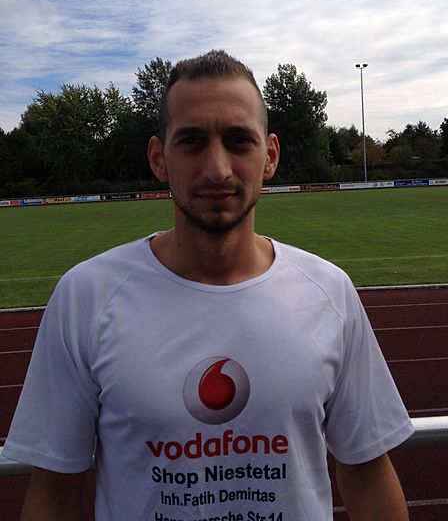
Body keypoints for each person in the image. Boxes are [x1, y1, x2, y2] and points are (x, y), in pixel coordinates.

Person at [4, 50, 414, 520]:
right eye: (192, 142)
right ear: (159, 159)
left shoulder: (329, 292)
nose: (217, 169)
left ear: (269, 156)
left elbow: (367, 472)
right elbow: (55, 492)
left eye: (239, 141)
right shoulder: (86, 297)